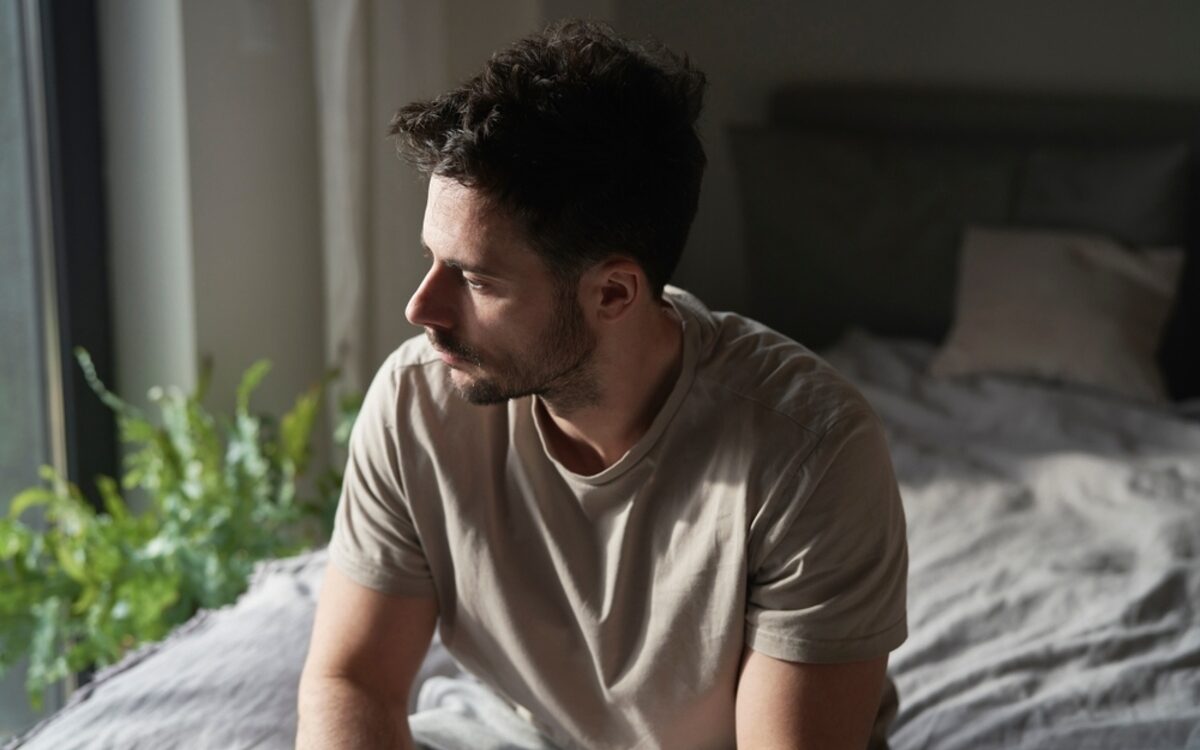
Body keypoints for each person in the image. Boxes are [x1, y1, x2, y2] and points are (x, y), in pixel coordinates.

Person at [296, 18, 907, 750]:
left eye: (475, 279)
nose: (420, 309)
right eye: (432, 258)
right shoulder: (416, 404)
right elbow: (352, 680)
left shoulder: (810, 453)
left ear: (614, 294)